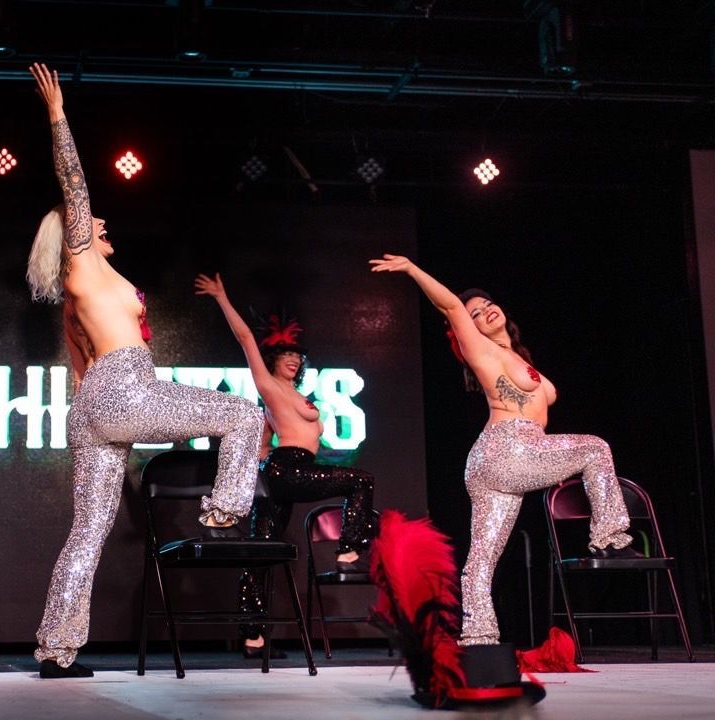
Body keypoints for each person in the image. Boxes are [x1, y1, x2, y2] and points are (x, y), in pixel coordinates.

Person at [25, 64, 264, 678]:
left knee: (87, 533)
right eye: (92, 223)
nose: (102, 224)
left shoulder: (84, 293)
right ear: (72, 234)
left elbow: (82, 366)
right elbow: (73, 182)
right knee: (243, 413)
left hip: (92, 407)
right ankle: (224, 508)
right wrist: (57, 115)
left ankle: (56, 649)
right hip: (126, 389)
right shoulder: (83, 263)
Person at [369, 253, 637, 646]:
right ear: (468, 328)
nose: (485, 310)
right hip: (507, 448)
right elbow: (450, 305)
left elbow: (545, 393)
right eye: (475, 313)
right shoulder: (482, 350)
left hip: (494, 462)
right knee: (595, 448)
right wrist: (412, 269)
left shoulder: (515, 357)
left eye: (488, 304)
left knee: (482, 557)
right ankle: (610, 537)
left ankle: (477, 636)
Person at [194, 272, 376, 658]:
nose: (294, 360)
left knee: (262, 551)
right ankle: (349, 549)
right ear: (273, 359)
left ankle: (253, 637)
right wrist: (222, 297)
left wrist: (260, 457)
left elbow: (263, 439)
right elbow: (246, 338)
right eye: (287, 354)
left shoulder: (293, 395)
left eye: (298, 356)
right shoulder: (270, 387)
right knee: (360, 480)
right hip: (288, 469)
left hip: (283, 471)